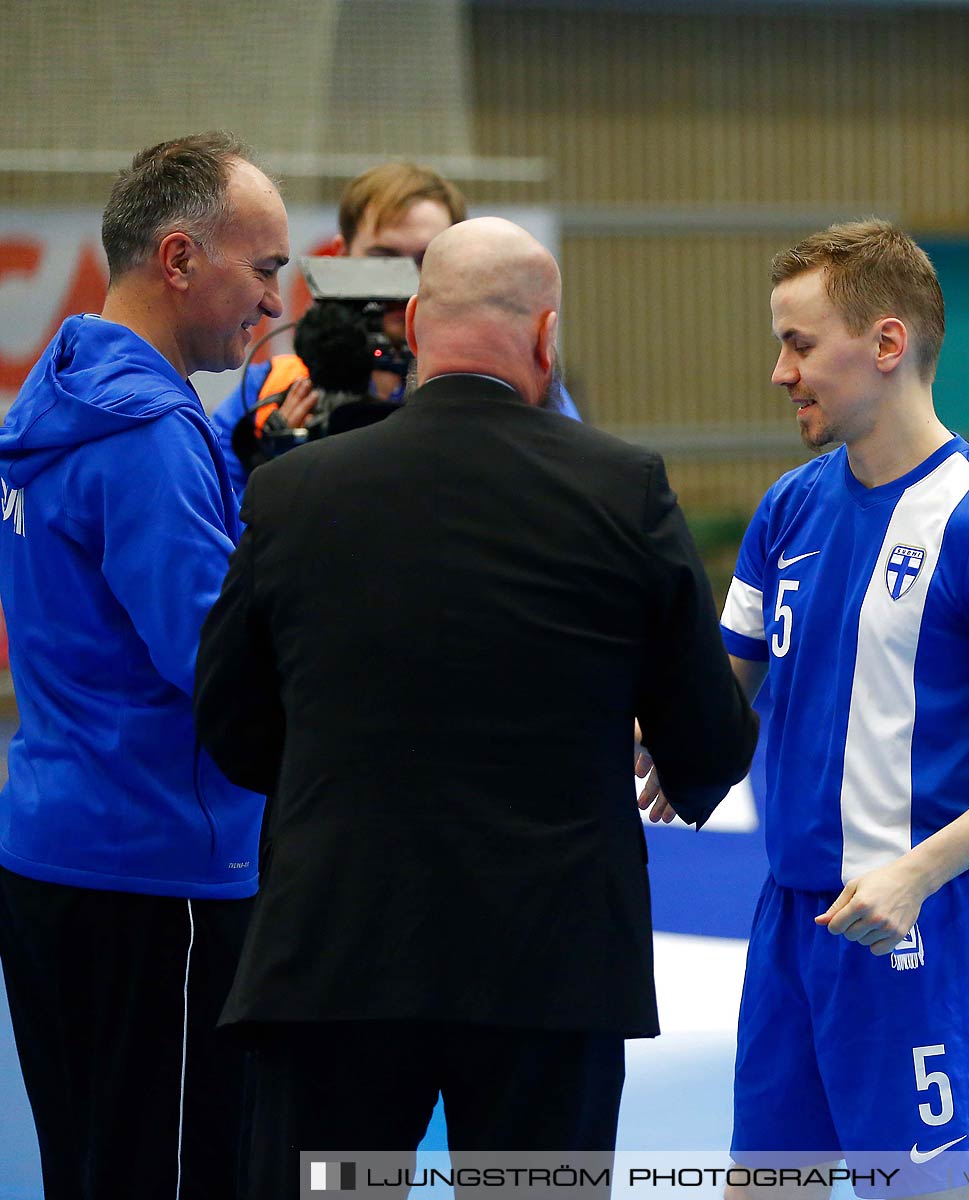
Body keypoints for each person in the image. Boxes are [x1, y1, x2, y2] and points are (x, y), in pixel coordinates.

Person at [194, 218, 758, 1197]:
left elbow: (228, 720)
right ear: (546, 339)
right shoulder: (621, 490)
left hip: (337, 956)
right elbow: (707, 737)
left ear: (415, 325)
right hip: (550, 969)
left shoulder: (293, 494)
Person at [641, 219, 969, 1197]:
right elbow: (729, 688)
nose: (779, 371)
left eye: (799, 344)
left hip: (914, 927)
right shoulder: (787, 510)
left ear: (887, 345)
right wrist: (664, 735)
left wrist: (916, 875)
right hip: (792, 919)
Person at [0, 133, 287, 1199]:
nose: (270, 304)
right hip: (152, 868)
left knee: (92, 1167)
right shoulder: (148, 433)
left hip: (59, 842)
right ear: (178, 259)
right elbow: (214, 662)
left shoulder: (64, 393)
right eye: (262, 269)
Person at [208, 160, 581, 512]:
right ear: (339, 257)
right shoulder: (272, 391)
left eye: (427, 259)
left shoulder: (520, 392)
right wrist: (274, 470)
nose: (404, 285)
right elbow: (219, 527)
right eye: (382, 257)